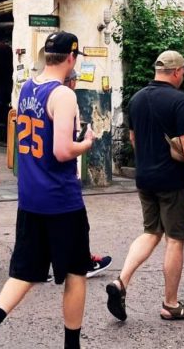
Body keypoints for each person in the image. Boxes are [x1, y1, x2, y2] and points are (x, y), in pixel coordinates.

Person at [0, 31, 95, 349]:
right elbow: (63, 150)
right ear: (71, 58)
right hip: (62, 199)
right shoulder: (63, 95)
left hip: (31, 197)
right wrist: (87, 142)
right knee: (76, 272)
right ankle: (72, 344)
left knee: (25, 271)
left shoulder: (27, 89)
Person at [105, 50, 184, 323]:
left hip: (144, 176)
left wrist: (148, 162)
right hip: (172, 180)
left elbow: (134, 138)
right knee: (175, 238)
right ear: (175, 72)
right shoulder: (178, 100)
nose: (183, 76)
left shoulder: (137, 99)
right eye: (183, 72)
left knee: (151, 232)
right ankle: (171, 304)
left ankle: (121, 281)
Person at [64, 68, 113, 279]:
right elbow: (64, 147)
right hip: (64, 176)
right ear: (72, 82)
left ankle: (44, 264)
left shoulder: (37, 94)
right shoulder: (67, 102)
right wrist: (86, 142)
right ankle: (83, 262)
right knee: (77, 223)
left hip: (39, 178)